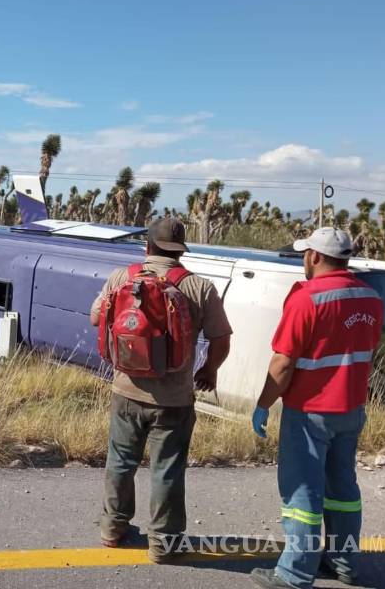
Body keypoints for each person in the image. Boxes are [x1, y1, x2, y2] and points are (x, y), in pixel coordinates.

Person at [90, 217, 232, 562]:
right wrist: (209, 370)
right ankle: (164, 544)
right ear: (181, 250)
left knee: (121, 462)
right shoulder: (199, 287)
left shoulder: (122, 277)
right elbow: (221, 338)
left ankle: (113, 528)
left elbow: (97, 318)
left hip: (126, 390)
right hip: (173, 400)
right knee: (166, 468)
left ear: (148, 246)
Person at [249, 228, 384, 589]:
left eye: (304, 255)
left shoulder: (307, 298)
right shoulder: (371, 297)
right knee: (342, 488)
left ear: (314, 257)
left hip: (310, 412)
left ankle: (294, 574)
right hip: (352, 410)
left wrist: (263, 404)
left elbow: (282, 364)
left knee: (301, 493)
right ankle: (343, 562)